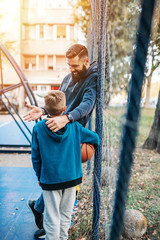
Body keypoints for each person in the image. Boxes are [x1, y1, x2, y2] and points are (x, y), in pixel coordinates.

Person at [24, 43, 98, 238]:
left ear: (86, 62)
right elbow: (56, 103)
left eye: (75, 65)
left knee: (60, 181)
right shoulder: (67, 78)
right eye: (69, 65)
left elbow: (87, 104)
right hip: (56, 129)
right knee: (57, 178)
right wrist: (43, 110)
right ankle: (47, 221)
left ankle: (41, 211)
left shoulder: (91, 79)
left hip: (72, 132)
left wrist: (67, 118)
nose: (71, 69)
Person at [31, 90, 99, 240]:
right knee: (65, 214)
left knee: (52, 216)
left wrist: (39, 175)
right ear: (64, 109)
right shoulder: (75, 127)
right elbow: (95, 138)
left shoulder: (38, 129)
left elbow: (35, 157)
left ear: (45, 108)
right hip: (72, 178)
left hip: (49, 179)